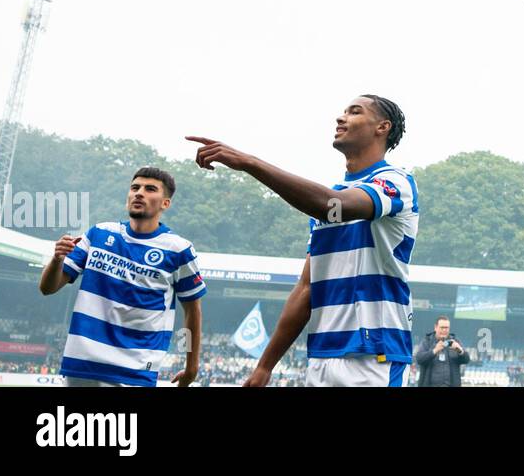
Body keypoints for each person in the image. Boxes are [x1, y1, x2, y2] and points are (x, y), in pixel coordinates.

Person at [187, 94, 417, 387]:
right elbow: (306, 289)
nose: (340, 117)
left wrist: (249, 163)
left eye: (354, 112)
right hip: (321, 354)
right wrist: (265, 366)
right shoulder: (324, 201)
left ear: (382, 127)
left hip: (374, 354)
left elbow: (333, 205)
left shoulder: (396, 182)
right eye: (342, 111)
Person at [38, 167, 205, 387]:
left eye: (150, 189)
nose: (139, 193)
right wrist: (57, 259)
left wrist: (191, 366)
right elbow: (47, 288)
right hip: (82, 365)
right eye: (135, 187)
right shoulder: (98, 234)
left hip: (135, 372)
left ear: (165, 203)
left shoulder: (178, 250)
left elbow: (191, 311)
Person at [415, 315, 470, 387]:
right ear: (435, 327)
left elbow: (466, 360)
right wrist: (434, 351)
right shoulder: (427, 342)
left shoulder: (455, 341)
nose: (444, 330)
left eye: (446, 328)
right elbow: (419, 359)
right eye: (442, 327)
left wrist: (460, 350)